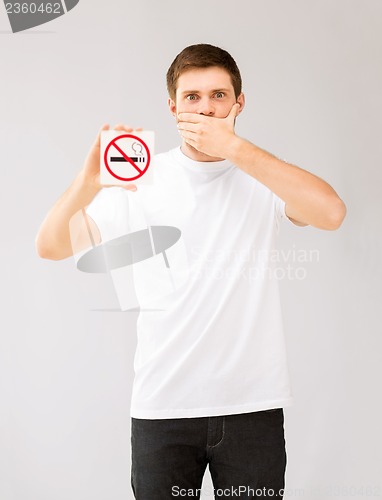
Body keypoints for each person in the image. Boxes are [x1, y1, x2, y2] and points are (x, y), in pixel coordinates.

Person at [35, 44, 346, 499]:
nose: (206, 107)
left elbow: (332, 213)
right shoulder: (141, 180)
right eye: (193, 97)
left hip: (251, 409)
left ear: (239, 103)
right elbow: (51, 246)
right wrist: (86, 182)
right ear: (173, 107)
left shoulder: (264, 177)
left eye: (219, 95)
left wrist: (233, 148)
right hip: (163, 408)